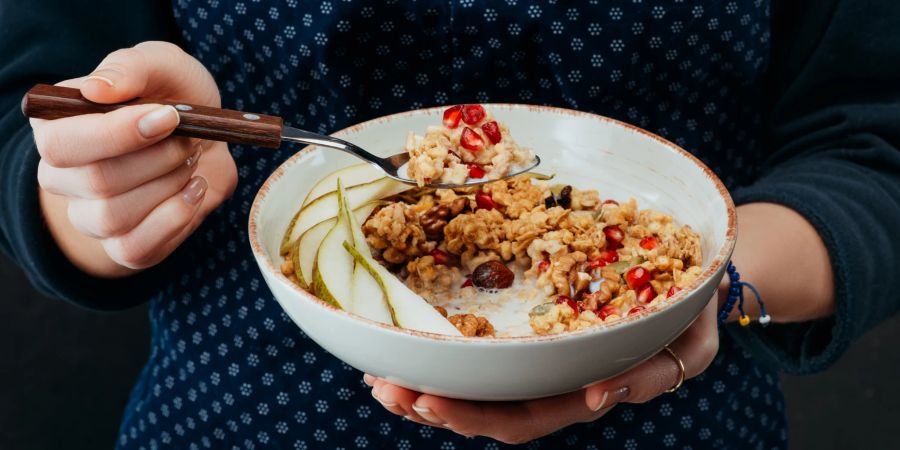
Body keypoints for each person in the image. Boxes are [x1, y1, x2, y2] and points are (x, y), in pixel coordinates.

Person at [1, 0, 898, 448]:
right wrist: (109, 192)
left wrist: (716, 284)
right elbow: (31, 113)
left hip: (676, 408)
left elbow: (872, 143)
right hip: (245, 410)